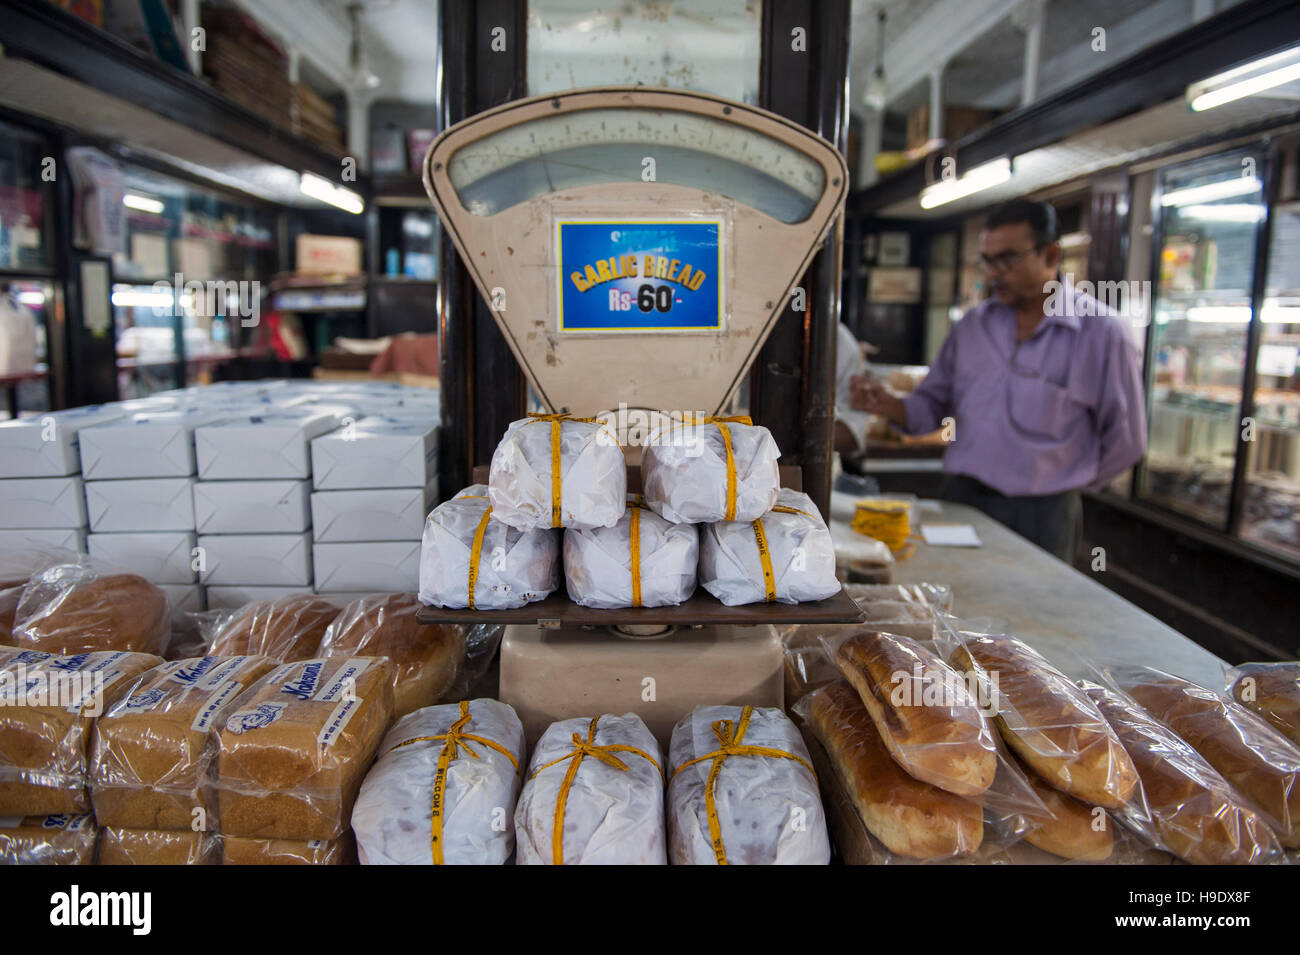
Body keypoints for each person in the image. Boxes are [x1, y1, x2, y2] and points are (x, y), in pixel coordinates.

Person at [853, 198, 1147, 562]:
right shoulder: (972, 327)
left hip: (1044, 512)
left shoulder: (1102, 334)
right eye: (987, 261)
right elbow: (930, 407)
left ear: (1051, 255)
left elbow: (1128, 441)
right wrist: (887, 404)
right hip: (963, 497)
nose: (993, 273)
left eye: (1007, 259)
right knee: (953, 601)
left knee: (1034, 612)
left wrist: (1063, 482)